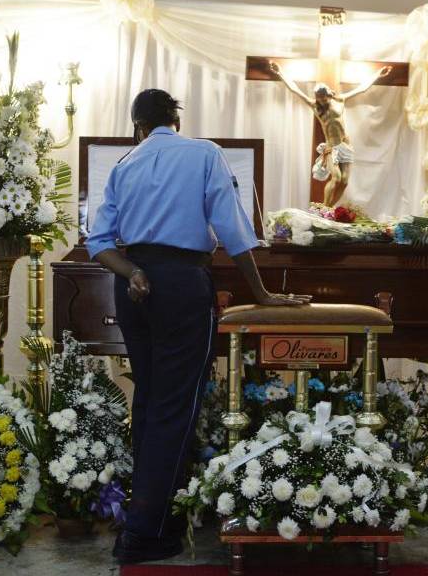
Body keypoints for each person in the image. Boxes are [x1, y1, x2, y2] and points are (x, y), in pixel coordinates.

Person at [86, 88, 311, 564]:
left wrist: (134, 273)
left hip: (134, 288)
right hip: (182, 285)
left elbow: (99, 242)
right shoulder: (204, 153)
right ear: (175, 121)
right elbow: (232, 230)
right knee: (175, 406)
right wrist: (262, 293)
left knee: (147, 400)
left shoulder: (124, 165)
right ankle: (144, 533)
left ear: (137, 127)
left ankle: (150, 517)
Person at [268, 62, 391, 207]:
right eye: (319, 97)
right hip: (331, 147)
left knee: (344, 181)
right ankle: (325, 209)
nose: (321, 100)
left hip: (346, 145)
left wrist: (377, 75)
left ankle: (329, 209)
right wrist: (280, 73)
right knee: (336, 177)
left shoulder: (340, 100)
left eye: (323, 97)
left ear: (329, 94)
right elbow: (295, 90)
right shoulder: (315, 106)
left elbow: (361, 89)